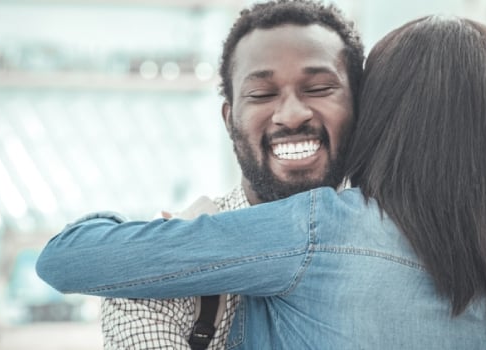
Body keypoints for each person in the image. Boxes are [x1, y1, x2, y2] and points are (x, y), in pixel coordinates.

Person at [37, 15, 486, 349]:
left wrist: (179, 231)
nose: (293, 113)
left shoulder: (323, 230)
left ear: (380, 116)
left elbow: (65, 258)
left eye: (324, 88)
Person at [94, 1, 365, 349]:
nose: (292, 115)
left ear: (358, 108)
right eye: (262, 94)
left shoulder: (401, 255)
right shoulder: (153, 280)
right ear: (229, 120)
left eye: (318, 88)